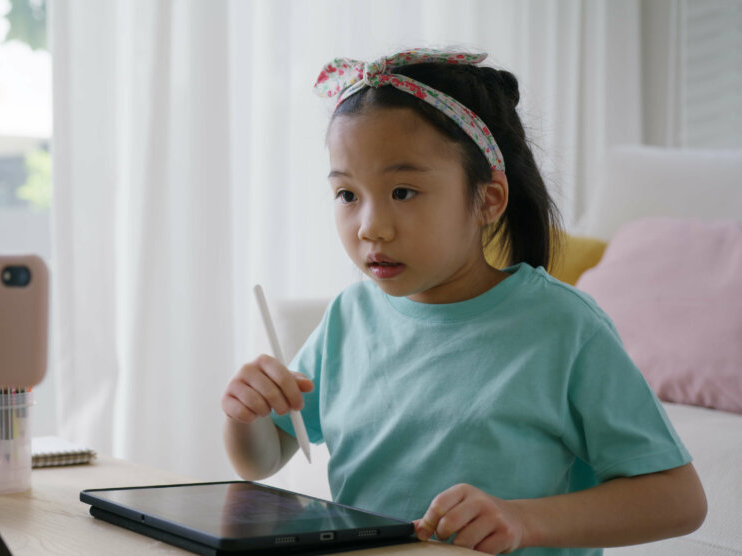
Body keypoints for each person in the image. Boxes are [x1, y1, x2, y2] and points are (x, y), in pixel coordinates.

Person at [221, 49, 706, 555]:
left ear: (489, 200)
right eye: (347, 195)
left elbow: (679, 501)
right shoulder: (349, 316)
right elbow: (265, 456)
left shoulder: (565, 327)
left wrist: (522, 521)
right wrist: (246, 414)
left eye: (403, 192)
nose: (370, 227)